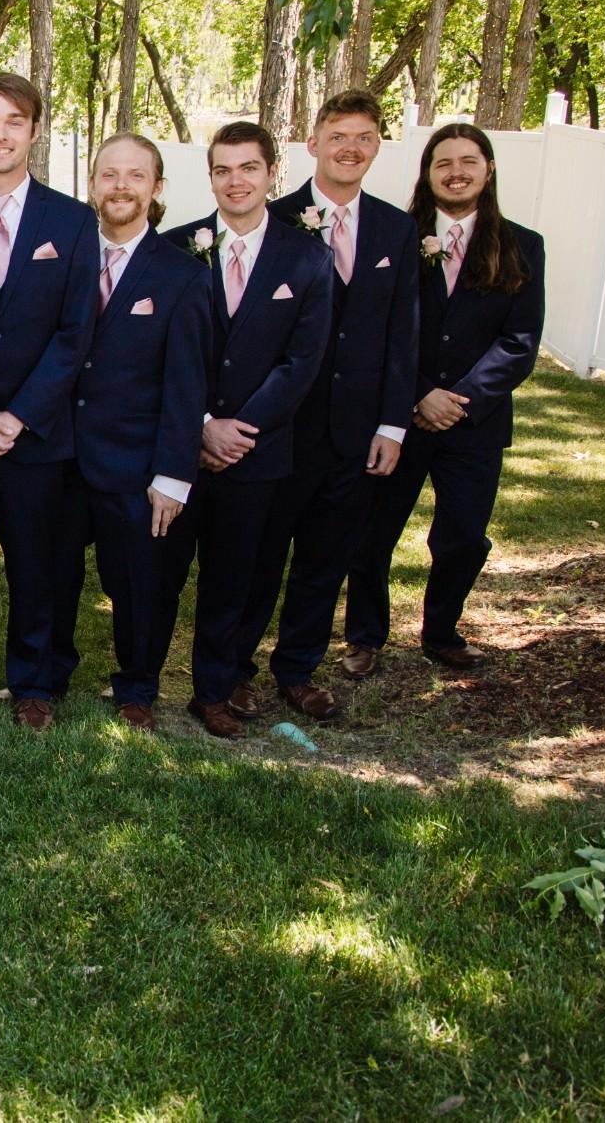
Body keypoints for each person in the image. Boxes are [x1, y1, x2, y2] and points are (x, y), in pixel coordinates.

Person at [345, 123, 545, 670]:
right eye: (444, 163)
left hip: (474, 423)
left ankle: (441, 631)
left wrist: (459, 399)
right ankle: (364, 636)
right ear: (428, 174)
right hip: (399, 416)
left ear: (489, 169)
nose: (456, 173)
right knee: (372, 531)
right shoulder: (397, 237)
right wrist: (418, 395)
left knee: (463, 537)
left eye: (468, 162)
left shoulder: (523, 246)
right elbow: (374, 329)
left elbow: (520, 341)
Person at [0, 73, 99, 731]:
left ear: (34, 131)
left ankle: (34, 682)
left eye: (13, 121)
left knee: (38, 565)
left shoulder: (72, 220)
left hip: (34, 431)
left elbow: (74, 333)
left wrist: (17, 416)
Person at [241, 91, 419, 694]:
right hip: (282, 427)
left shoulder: (397, 229)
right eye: (338, 136)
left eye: (364, 137)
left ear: (377, 147)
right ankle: (235, 669)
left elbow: (403, 335)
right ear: (313, 144)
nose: (350, 148)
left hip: (355, 432)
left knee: (324, 561)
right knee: (261, 558)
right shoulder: (272, 219)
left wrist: (392, 425)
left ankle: (297, 670)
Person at [162, 122, 332, 738]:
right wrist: (204, 425)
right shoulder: (176, 249)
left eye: (249, 168)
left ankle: (213, 690)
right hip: (180, 444)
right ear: (210, 177)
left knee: (235, 576)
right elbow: (160, 352)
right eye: (223, 170)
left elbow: (302, 361)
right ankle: (141, 683)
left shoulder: (307, 257)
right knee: (163, 570)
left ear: (271, 174)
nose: (236, 181)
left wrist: (240, 430)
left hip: (257, 450)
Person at [52, 135, 211, 730]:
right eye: (110, 174)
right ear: (92, 184)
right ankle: (46, 676)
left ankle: (137, 685)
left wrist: (173, 475)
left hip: (138, 461)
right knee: (51, 573)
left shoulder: (182, 274)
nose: (121, 186)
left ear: (156, 187)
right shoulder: (63, 256)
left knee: (141, 582)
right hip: (60, 451)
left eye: (136, 176)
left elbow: (187, 383)